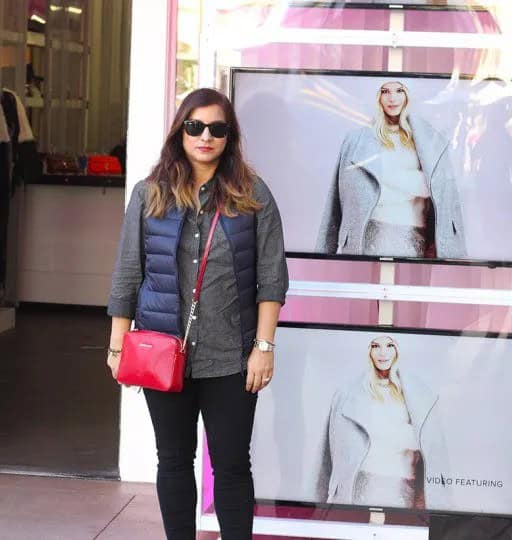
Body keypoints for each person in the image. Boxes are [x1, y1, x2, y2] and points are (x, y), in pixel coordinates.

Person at [106, 88, 289, 539]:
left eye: (217, 128)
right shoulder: (149, 194)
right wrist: (117, 344)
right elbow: (129, 272)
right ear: (180, 131)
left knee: (230, 465)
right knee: (172, 459)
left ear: (229, 136)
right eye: (195, 126)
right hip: (162, 353)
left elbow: (271, 277)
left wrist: (263, 348)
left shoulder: (252, 194)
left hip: (232, 357)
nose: (205, 136)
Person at [316, 80, 466, 259]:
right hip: (368, 234)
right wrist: (323, 251)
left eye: (399, 90)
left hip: (413, 236)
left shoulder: (429, 139)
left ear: (408, 95)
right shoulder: (356, 140)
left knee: (408, 286)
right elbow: (339, 200)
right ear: (378, 97)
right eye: (385, 91)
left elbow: (432, 188)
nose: (392, 98)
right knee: (367, 286)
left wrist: (381, 177)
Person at [315, 335, 449, 510]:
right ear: (369, 351)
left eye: (390, 345)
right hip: (361, 489)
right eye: (376, 346)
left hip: (403, 490)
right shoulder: (348, 394)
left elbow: (434, 452)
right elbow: (329, 458)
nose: (382, 353)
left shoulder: (420, 395)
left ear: (397, 350)